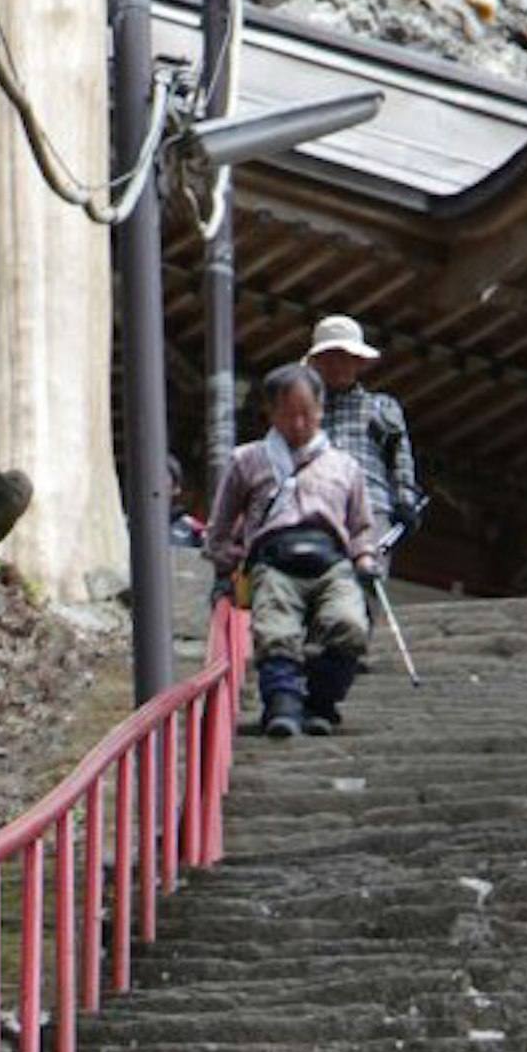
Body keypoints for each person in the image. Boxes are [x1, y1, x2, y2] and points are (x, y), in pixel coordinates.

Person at [202, 361, 385, 737]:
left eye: (307, 414)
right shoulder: (246, 460)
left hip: (332, 562)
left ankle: (321, 703)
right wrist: (233, 563)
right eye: (288, 415)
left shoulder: (344, 466)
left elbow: (362, 527)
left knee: (350, 626)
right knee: (276, 632)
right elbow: (218, 529)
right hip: (273, 561)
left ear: (320, 410)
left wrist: (365, 557)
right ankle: (281, 706)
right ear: (271, 413)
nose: (299, 424)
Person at [307, 313, 425, 560]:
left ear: (359, 362)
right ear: (317, 363)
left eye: (344, 358)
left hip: (371, 506)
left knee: (366, 578)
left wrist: (405, 500)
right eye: (329, 358)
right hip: (315, 507)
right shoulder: (305, 412)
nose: (337, 365)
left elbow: (400, 459)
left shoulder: (381, 407)